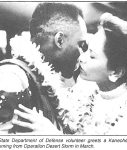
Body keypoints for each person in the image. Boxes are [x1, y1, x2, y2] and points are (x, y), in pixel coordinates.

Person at [0, 2, 88, 134]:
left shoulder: (42, 83)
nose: (83, 55)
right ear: (60, 41)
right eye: (81, 45)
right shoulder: (12, 77)